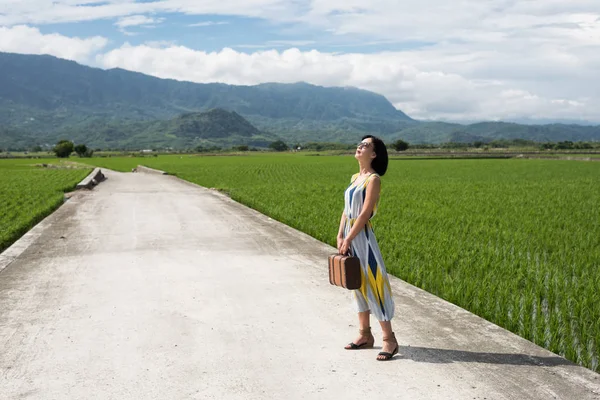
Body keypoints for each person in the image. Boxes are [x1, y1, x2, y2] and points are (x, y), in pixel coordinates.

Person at [336, 135, 398, 361]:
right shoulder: (355, 177)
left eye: (365, 145)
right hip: (351, 237)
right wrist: (340, 233)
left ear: (374, 154)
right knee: (356, 284)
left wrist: (349, 237)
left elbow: (364, 213)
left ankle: (389, 339)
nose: (359, 147)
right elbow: (347, 210)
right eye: (360, 143)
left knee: (374, 284)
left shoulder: (373, 179)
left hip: (363, 239)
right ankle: (364, 335)